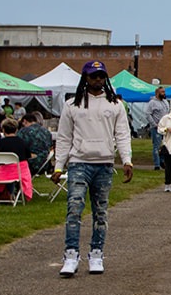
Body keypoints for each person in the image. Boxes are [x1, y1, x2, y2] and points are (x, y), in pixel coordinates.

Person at [53, 61, 133, 276]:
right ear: (85, 78)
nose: (97, 80)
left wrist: (127, 160)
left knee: (100, 212)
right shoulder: (72, 104)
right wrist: (58, 166)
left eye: (101, 76)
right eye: (93, 76)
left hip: (104, 163)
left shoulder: (115, 104)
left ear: (105, 78)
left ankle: (96, 254)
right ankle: (71, 255)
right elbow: (63, 137)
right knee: (74, 210)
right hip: (79, 162)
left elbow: (122, 134)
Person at [17, 111, 54, 178]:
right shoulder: (47, 132)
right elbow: (50, 146)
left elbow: (18, 145)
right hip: (44, 164)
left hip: (29, 164)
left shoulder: (24, 132)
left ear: (25, 121)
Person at [144, 87, 170, 171]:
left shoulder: (166, 102)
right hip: (156, 128)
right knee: (157, 146)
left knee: (165, 145)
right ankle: (157, 164)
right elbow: (148, 114)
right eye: (162, 92)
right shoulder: (152, 103)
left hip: (165, 128)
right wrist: (154, 124)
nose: (164, 93)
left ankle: (162, 161)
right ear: (157, 93)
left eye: (164, 91)